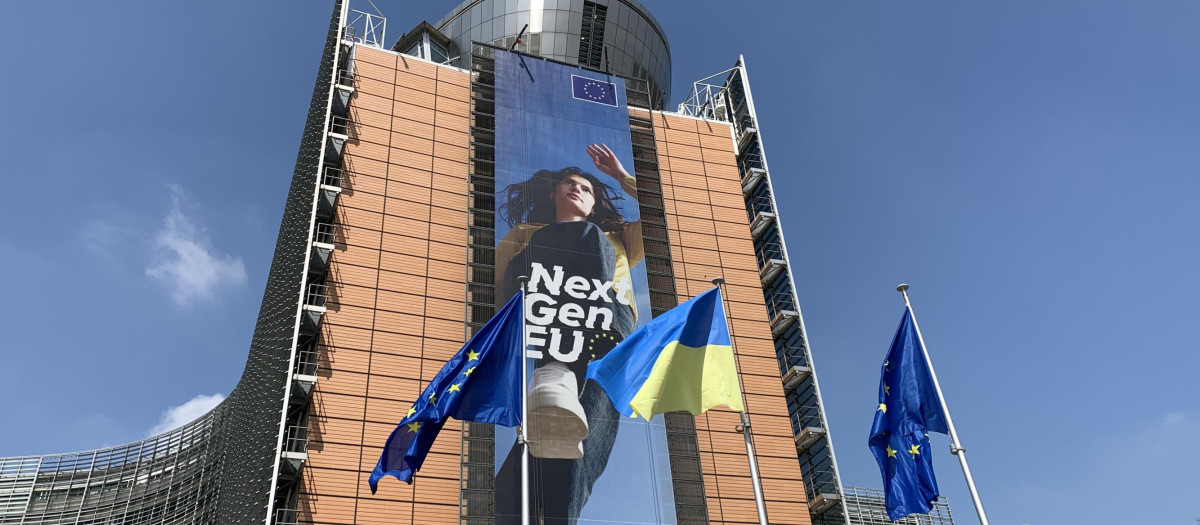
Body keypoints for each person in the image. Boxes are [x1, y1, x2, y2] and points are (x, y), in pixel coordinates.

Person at [493, 144, 643, 525]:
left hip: (608, 322)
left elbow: (667, 209)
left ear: (595, 204)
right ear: (552, 194)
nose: (577, 189)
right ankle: (555, 369)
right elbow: (500, 287)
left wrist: (620, 176)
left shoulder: (618, 238)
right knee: (547, 241)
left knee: (581, 435)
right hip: (548, 312)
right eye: (569, 184)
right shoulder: (528, 235)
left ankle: (532, 509)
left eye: (587, 189)